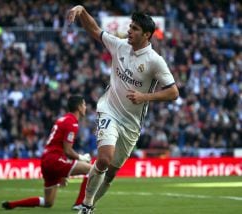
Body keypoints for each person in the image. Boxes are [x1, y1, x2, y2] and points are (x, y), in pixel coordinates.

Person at [67, 5, 179, 213]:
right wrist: (82, 11)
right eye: (130, 26)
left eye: (135, 28)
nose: (129, 30)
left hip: (131, 124)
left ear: (146, 35)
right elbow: (94, 30)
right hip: (109, 110)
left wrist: (144, 97)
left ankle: (89, 204)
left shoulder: (155, 61)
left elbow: (173, 92)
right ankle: (86, 204)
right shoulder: (119, 46)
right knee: (104, 158)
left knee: (111, 173)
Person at [1, 95, 92, 210]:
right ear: (79, 107)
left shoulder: (63, 119)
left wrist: (63, 174)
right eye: (84, 105)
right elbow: (68, 151)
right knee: (92, 170)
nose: (85, 107)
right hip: (55, 160)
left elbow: (59, 145)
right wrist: (82, 158)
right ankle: (80, 204)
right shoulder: (72, 122)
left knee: (48, 202)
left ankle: (12, 204)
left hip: (46, 160)